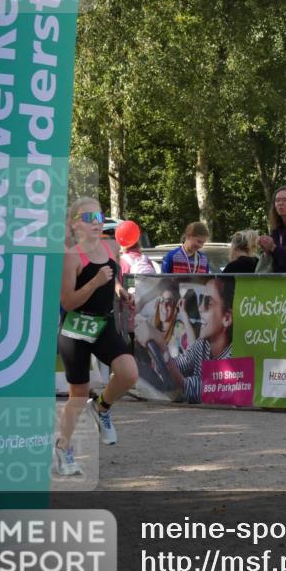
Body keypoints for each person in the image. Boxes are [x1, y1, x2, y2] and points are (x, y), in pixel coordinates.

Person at [56, 197, 139, 475]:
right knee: (77, 395)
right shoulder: (70, 257)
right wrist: (94, 282)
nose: (96, 223)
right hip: (75, 328)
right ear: (74, 223)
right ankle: (63, 447)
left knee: (128, 373)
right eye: (89, 218)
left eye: (99, 217)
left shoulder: (111, 246)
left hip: (102, 325)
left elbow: (111, 276)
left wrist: (119, 290)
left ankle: (102, 407)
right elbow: (67, 302)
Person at [137, 275, 234, 404]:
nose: (200, 308)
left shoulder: (232, 359)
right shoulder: (203, 344)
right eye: (201, 300)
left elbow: (187, 388)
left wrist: (162, 348)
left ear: (226, 319)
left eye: (208, 303)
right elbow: (181, 363)